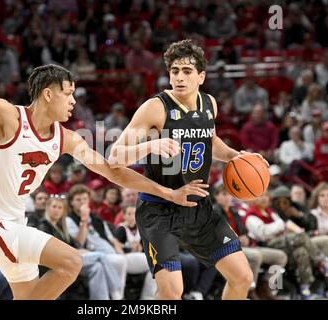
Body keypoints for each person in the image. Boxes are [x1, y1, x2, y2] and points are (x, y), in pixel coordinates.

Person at [0, 13, 206, 300]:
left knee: (29, 296)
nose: (74, 101)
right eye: (69, 93)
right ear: (48, 94)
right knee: (71, 261)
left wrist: (167, 191)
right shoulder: (9, 117)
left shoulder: (66, 138)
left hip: (14, 223)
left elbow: (112, 171)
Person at [108, 39, 260, 300]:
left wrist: (238, 157)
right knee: (171, 293)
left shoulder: (209, 103)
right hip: (159, 210)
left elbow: (210, 141)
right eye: (174, 71)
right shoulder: (155, 107)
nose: (179, 77)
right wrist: (149, 146)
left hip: (198, 208)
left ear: (201, 76)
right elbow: (114, 157)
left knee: (243, 277)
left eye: (187, 71)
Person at [38, 196, 124, 300]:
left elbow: (75, 245)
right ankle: (115, 291)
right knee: (101, 256)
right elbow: (53, 249)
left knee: (97, 268)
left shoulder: (61, 227)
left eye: (60, 207)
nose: (57, 210)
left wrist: (81, 250)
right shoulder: (44, 225)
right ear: (47, 208)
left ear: (63, 211)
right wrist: (77, 251)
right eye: (54, 206)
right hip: (59, 262)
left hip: (70, 258)